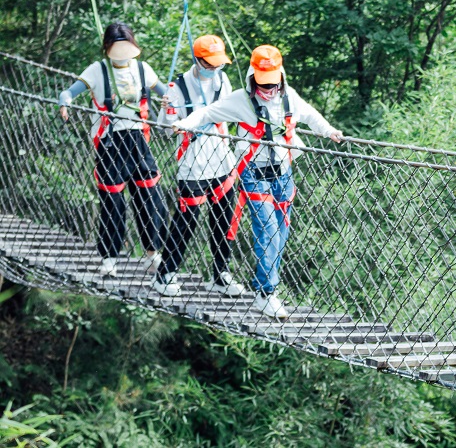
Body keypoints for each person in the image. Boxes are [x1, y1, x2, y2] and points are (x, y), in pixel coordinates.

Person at [172, 45, 343, 319]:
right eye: (262, 84)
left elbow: (311, 115)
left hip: (283, 173)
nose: (268, 89)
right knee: (268, 231)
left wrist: (329, 131)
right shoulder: (240, 100)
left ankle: (267, 287)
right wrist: (185, 124)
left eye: (272, 84)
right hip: (254, 173)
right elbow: (208, 113)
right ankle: (265, 292)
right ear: (253, 77)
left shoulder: (289, 97)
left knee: (281, 232)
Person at [58, 22, 168, 277]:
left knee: (150, 197)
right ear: (107, 47)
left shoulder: (142, 69)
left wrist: (170, 100)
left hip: (139, 140)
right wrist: (65, 102)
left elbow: (167, 92)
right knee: (113, 202)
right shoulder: (97, 70)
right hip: (110, 142)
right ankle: (109, 258)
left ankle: (152, 253)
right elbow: (69, 92)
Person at [153, 35, 244, 297]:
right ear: (197, 59)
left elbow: (230, 114)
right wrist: (169, 112)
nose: (214, 68)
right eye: (209, 64)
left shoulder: (222, 81)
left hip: (222, 160)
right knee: (186, 221)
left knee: (224, 220)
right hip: (192, 162)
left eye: (218, 64)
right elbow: (165, 130)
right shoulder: (176, 88)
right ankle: (165, 274)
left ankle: (220, 274)